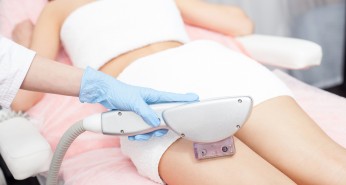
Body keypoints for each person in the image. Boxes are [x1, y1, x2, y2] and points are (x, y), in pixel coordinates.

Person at [11, 0, 346, 184]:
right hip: (172, 83)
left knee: (332, 169)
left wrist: (24, 35)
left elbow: (240, 25)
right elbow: (240, 25)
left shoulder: (57, 8)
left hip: (179, 78)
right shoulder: (57, 7)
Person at [0, 35, 198, 139]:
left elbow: (229, 18)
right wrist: (24, 39)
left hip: (202, 60)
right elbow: (21, 94)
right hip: (139, 79)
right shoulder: (58, 7)